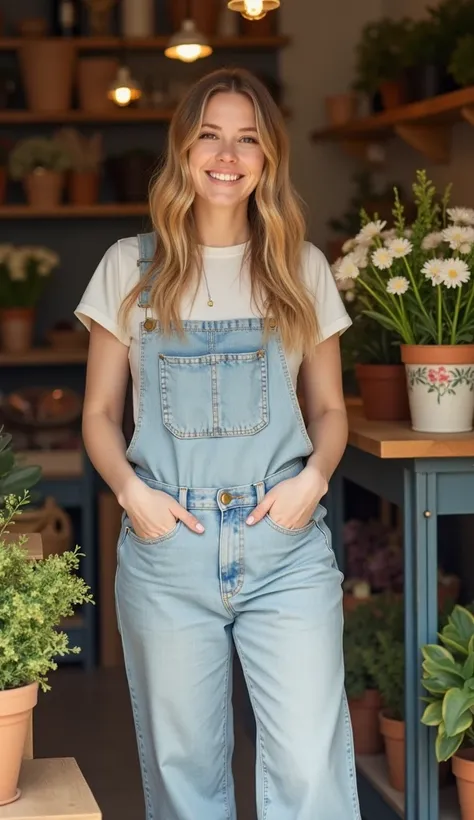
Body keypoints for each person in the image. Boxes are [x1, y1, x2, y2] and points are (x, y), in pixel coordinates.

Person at [76, 67, 360, 820]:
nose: (227, 156)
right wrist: (134, 496)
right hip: (170, 546)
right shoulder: (129, 268)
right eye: (210, 136)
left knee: (309, 771)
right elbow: (100, 414)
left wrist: (314, 482)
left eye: (247, 140)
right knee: (187, 775)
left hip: (286, 547)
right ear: (183, 151)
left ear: (269, 159)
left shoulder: (299, 270)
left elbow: (330, 409)